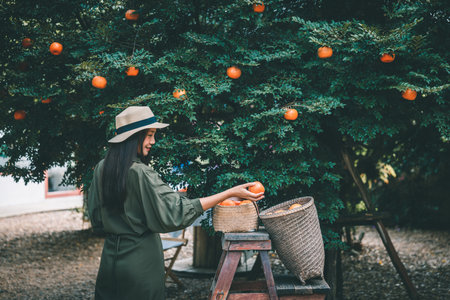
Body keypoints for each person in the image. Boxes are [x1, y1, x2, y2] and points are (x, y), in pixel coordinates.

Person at [88, 106, 264, 300]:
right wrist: (228, 193)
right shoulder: (141, 173)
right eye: (149, 135)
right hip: (141, 261)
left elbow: (96, 220)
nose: (153, 141)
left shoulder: (101, 169)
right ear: (133, 138)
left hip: (109, 260)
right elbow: (177, 213)